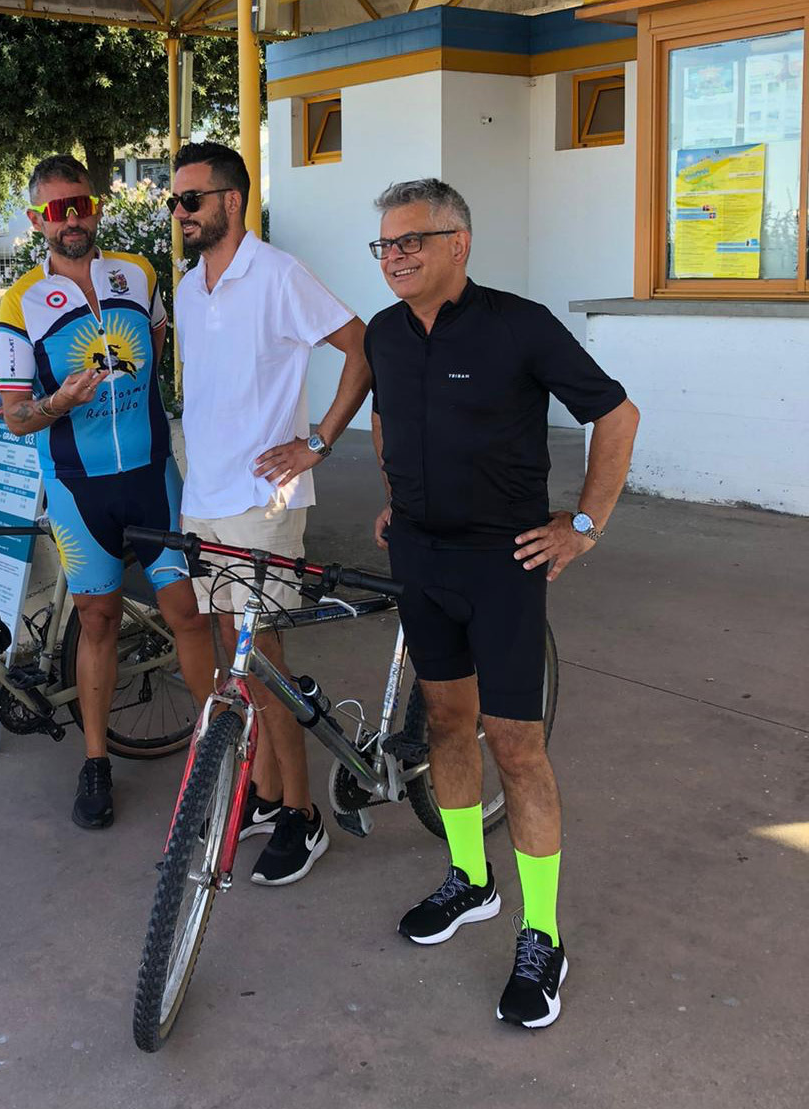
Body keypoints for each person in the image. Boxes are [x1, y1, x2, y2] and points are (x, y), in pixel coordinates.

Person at [365, 178, 639, 1028]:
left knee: (515, 746)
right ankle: (468, 880)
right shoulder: (383, 332)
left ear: (460, 245)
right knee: (446, 723)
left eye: (413, 241)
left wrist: (584, 524)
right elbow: (385, 420)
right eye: (385, 245)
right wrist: (398, 493)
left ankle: (543, 933)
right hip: (421, 554)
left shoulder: (519, 325)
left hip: (504, 558)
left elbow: (616, 413)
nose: (396, 256)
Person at [170, 141, 371, 885]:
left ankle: (302, 815)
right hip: (206, 499)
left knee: (264, 662)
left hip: (262, 502)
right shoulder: (191, 289)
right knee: (238, 657)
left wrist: (317, 443)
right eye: (174, 201)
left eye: (193, 198)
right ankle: (262, 794)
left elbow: (360, 348)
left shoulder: (278, 274)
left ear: (232, 200)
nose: (181, 212)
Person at [0, 155, 214, 830]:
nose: (73, 220)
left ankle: (216, 753)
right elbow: (14, 417)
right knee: (97, 621)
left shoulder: (140, 275)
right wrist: (57, 400)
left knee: (187, 611)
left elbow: (159, 350)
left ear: (96, 207)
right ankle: (96, 762)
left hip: (153, 476)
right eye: (57, 211)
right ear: (37, 221)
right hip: (77, 488)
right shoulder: (18, 303)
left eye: (82, 205)